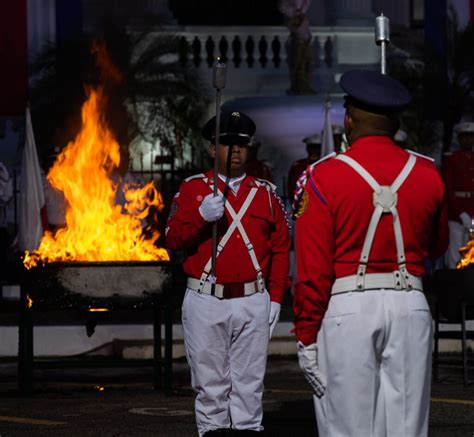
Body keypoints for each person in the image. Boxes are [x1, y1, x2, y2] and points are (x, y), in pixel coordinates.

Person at [293, 70, 448, 437]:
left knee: (348, 428)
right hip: (410, 303)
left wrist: (306, 334)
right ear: (394, 123)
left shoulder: (323, 176)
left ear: (349, 119)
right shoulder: (428, 173)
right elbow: (438, 247)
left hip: (349, 307)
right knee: (408, 428)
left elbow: (312, 272)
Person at [166, 110, 291, 436]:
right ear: (211, 149)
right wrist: (200, 216)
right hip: (206, 298)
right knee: (211, 391)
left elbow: (280, 247)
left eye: (241, 144)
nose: (235, 150)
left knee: (249, 390)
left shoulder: (265, 192)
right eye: (226, 143)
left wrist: (276, 296)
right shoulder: (193, 190)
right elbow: (173, 239)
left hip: (253, 299)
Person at [442, 120, 474, 268]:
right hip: (456, 215)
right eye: (464, 136)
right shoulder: (452, 159)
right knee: (455, 255)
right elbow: (448, 189)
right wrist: (460, 213)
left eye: (471, 136)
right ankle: (454, 287)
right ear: (459, 139)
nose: (468, 140)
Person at [278, 0, 315, 95]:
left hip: (304, 41)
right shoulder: (292, 18)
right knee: (298, 63)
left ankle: (303, 86)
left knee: (306, 63)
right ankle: (298, 87)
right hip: (299, 41)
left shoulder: (301, 17)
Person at [287, 133, 321, 202]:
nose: (314, 150)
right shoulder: (298, 166)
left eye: (317, 147)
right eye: (311, 147)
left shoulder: (325, 165)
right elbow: (292, 189)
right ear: (307, 148)